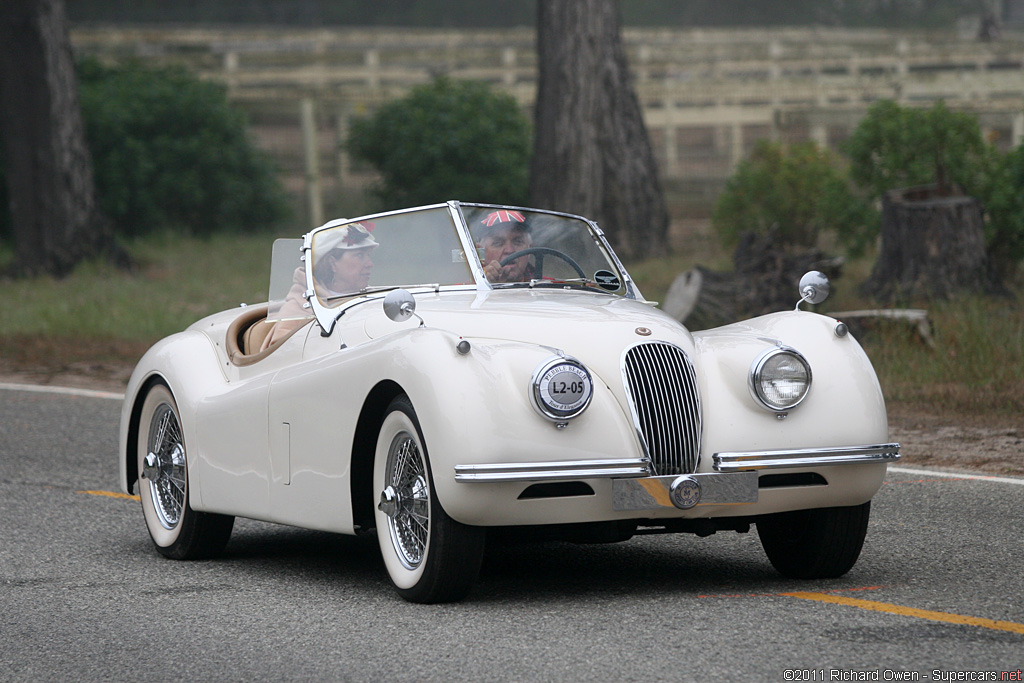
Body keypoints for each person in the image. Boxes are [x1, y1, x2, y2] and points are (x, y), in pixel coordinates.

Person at [260, 222, 377, 351]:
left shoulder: (374, 298)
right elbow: (282, 356)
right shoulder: (300, 306)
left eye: (368, 255)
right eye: (359, 255)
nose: (370, 264)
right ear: (332, 262)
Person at [475, 210, 535, 283]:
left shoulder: (547, 286)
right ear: (480, 252)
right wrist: (484, 284)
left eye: (518, 242)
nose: (509, 250)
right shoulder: (464, 290)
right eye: (497, 243)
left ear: (529, 249)